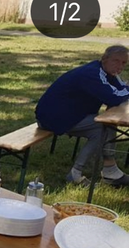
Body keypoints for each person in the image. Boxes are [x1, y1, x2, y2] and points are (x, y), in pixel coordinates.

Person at [35, 45, 129, 187]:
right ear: (104, 59)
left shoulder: (107, 73)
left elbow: (121, 89)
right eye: (116, 61)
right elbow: (113, 97)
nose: (120, 66)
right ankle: (77, 174)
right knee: (103, 128)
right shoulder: (92, 74)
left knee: (107, 126)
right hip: (53, 117)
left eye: (124, 63)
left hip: (71, 114)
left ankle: (110, 170)